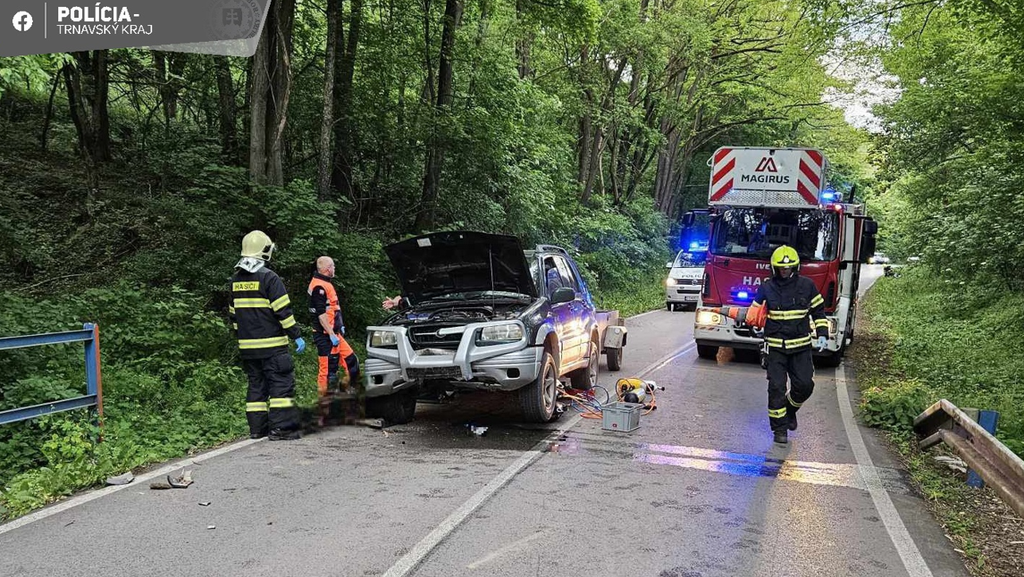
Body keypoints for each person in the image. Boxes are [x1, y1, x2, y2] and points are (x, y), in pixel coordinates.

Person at [746, 245, 829, 445]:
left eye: (789, 268)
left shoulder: (807, 286)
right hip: (775, 349)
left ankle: (790, 410)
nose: (785, 271)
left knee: (805, 386)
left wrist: (823, 334)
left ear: (795, 267)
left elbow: (818, 312)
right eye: (781, 268)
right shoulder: (766, 287)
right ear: (774, 268)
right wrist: (752, 323)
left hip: (801, 347)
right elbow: (754, 313)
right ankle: (779, 429)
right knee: (776, 388)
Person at [228, 230, 306, 441]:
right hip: (273, 347)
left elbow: (233, 316)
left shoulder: (235, 280)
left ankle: (257, 429)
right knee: (281, 385)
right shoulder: (269, 278)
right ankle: (282, 429)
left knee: (256, 386)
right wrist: (295, 335)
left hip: (248, 348)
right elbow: (283, 311)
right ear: (265, 250)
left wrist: (242, 338)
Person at [308, 257, 360, 412]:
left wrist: (340, 326)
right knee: (327, 370)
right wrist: (330, 333)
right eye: (333, 266)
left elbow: (334, 309)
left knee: (351, 361)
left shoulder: (326, 283)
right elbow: (320, 314)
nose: (334, 268)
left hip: (335, 334)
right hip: (324, 335)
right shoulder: (318, 287)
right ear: (326, 268)